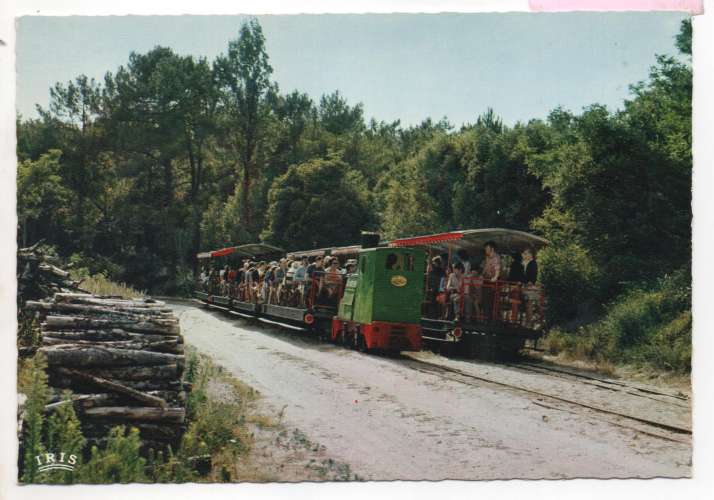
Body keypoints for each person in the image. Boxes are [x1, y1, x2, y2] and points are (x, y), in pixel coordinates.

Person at [481, 241, 501, 320]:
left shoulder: (496, 257)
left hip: (492, 282)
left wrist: (495, 278)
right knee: (485, 299)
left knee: (491, 300)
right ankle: (485, 317)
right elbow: (485, 268)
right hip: (486, 280)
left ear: (492, 249)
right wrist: (481, 275)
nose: (486, 250)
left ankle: (492, 318)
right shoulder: (487, 257)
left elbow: (497, 269)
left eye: (487, 248)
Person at [521, 246, 540, 328]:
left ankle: (529, 322)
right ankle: (528, 322)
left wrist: (529, 283)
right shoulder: (529, 263)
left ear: (531, 255)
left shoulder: (532, 263)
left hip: (530, 286)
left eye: (526, 253)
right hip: (528, 285)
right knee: (527, 304)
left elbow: (532, 276)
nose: (524, 255)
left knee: (529, 305)